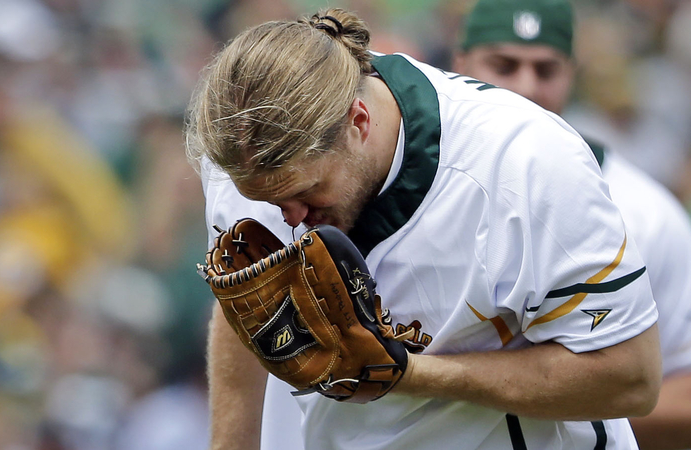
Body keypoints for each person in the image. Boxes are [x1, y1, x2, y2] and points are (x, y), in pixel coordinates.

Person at [186, 8, 662, 450]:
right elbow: (246, 309)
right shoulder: (240, 144)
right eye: (266, 201)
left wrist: (409, 373)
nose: (286, 218)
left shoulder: (525, 163)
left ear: (358, 121)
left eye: (305, 193)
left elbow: (630, 378)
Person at [453, 1, 691, 448]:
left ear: (572, 73)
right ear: (459, 65)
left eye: (546, 69)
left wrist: (561, 399)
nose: (525, 87)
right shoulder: (416, 195)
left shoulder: (645, 212)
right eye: (503, 65)